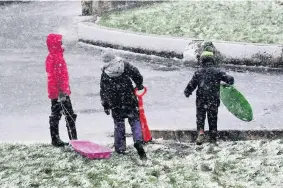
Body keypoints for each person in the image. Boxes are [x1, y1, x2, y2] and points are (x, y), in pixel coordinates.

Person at [100, 51, 147, 160]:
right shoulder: (124, 64)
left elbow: (103, 91)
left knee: (119, 124)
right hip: (128, 97)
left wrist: (106, 105)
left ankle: (120, 148)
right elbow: (136, 74)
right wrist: (139, 84)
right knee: (135, 120)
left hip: (115, 102)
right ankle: (138, 141)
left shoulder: (105, 72)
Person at [184, 49, 234, 145]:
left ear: (202, 60)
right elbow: (229, 79)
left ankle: (201, 132)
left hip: (201, 100)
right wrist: (230, 82)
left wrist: (187, 92)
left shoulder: (198, 72)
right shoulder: (217, 72)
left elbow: (192, 85)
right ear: (212, 60)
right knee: (213, 118)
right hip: (213, 100)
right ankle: (213, 137)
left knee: (200, 117)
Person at [45, 33, 78, 147]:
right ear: (56, 44)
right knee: (69, 115)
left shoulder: (51, 56)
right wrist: (62, 92)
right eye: (60, 42)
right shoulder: (57, 57)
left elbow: (52, 76)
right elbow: (59, 77)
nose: (63, 44)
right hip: (60, 92)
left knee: (56, 114)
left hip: (54, 92)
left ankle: (55, 138)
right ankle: (74, 140)